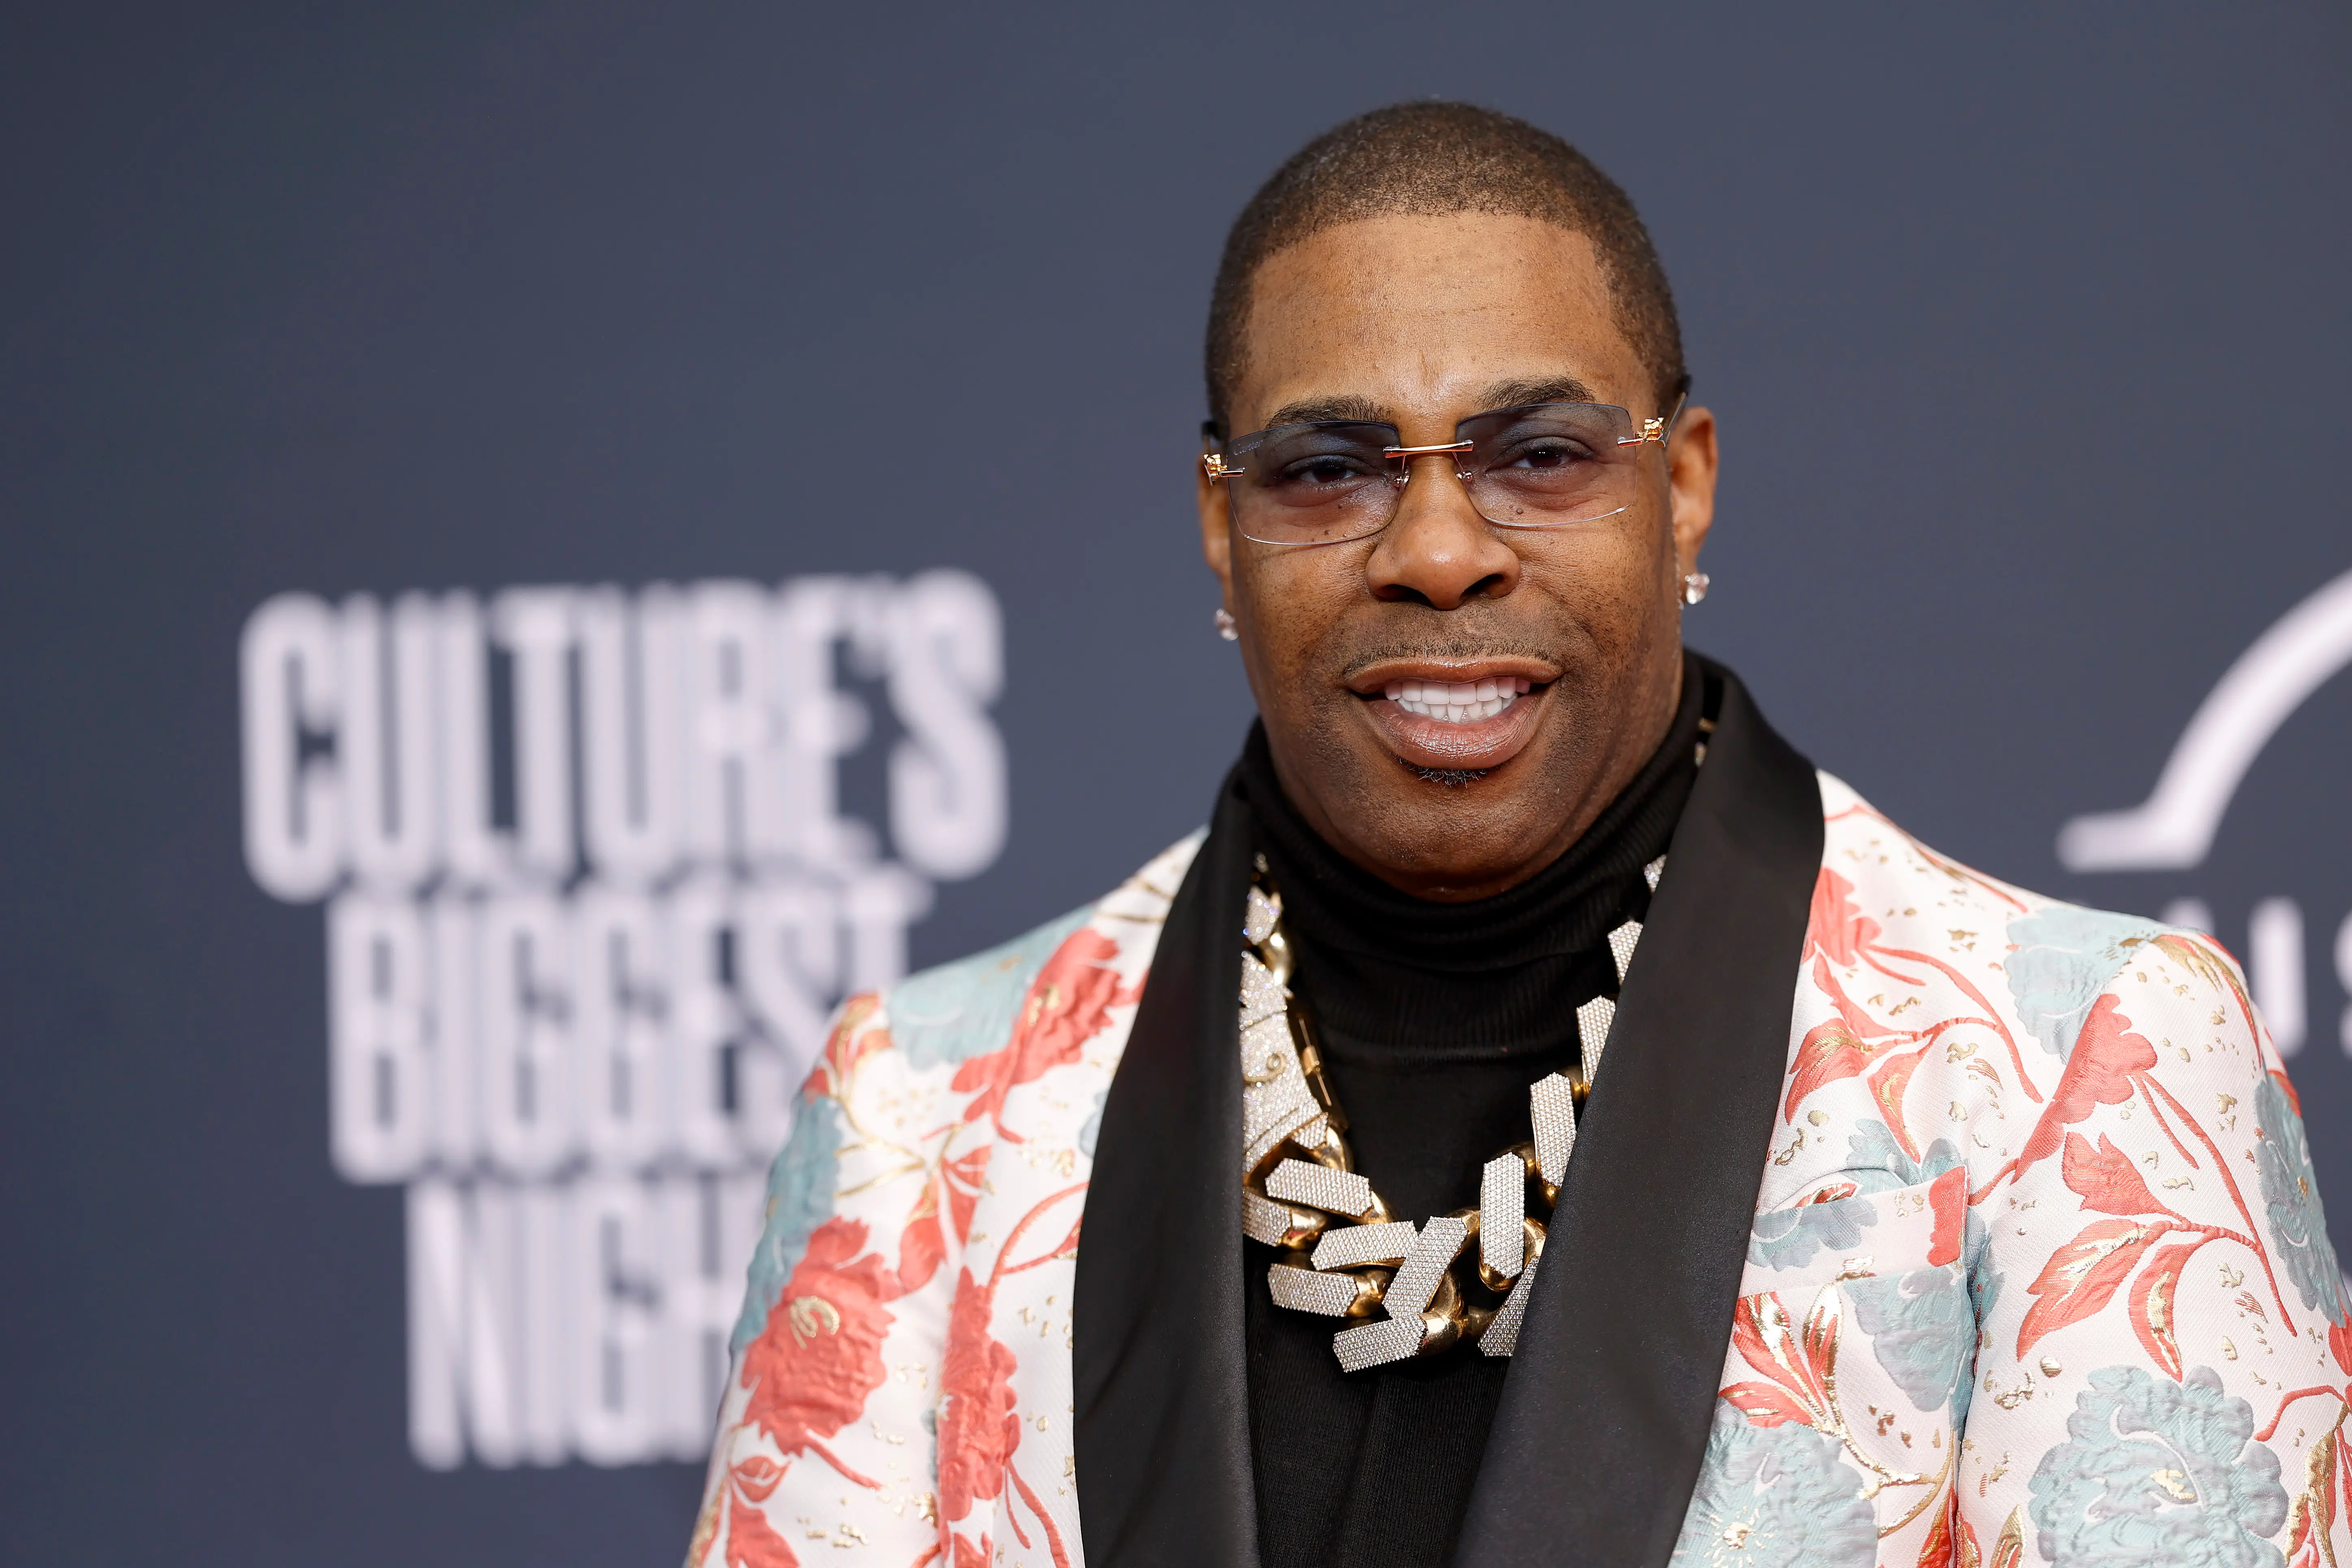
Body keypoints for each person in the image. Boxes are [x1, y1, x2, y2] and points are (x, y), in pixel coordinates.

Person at [687, 103, 2346, 1568]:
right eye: (1326, 466)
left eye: (1538, 455)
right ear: (1220, 521)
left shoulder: (2077, 1068)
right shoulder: (928, 1114)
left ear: (1683, 486)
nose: (1433, 550)